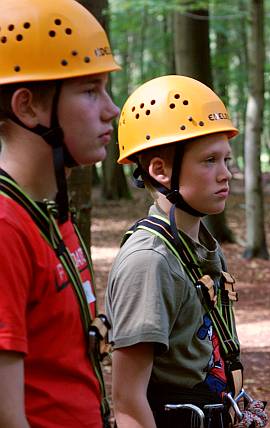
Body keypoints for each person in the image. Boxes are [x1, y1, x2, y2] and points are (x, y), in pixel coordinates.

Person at [106, 75, 267, 428]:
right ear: (160, 170)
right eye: (209, 160)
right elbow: (128, 402)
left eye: (226, 160)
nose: (226, 174)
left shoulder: (201, 250)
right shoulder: (150, 261)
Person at [0, 0, 120, 426]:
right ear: (28, 106)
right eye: (90, 91)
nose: (112, 109)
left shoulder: (50, 217)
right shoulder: (6, 230)